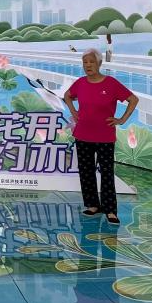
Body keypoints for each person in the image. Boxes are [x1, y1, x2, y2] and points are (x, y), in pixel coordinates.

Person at [63, 49, 138, 226]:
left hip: (105, 136)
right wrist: (74, 111)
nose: (88, 65)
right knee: (86, 171)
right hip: (82, 134)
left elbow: (133, 99)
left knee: (106, 173)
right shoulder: (80, 83)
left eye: (91, 62)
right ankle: (92, 205)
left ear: (99, 63)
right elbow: (67, 96)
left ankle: (110, 210)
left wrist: (122, 119)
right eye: (85, 62)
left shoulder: (111, 83)